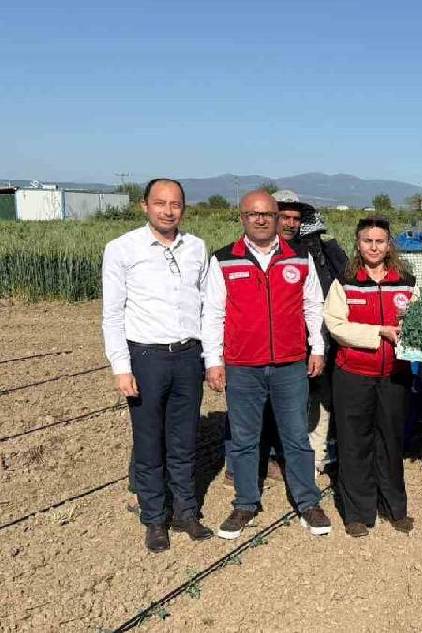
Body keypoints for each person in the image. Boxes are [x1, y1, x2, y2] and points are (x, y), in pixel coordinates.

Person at [201, 190, 332, 540]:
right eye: (252, 214)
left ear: (277, 218)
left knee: (296, 437)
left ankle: (308, 502)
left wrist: (316, 349)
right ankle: (245, 503)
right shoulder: (224, 260)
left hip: (290, 365)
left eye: (267, 214)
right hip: (243, 367)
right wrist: (213, 361)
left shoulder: (299, 257)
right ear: (242, 218)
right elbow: (213, 314)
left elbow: (313, 306)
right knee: (245, 440)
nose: (260, 220)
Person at [102, 178, 213, 552]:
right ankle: (154, 519)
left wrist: (209, 356)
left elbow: (206, 308)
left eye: (176, 204)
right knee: (149, 444)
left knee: (183, 442)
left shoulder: (196, 248)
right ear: (144, 206)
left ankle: (186, 513)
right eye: (160, 203)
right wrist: (121, 366)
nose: (168, 211)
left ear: (184, 208)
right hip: (145, 357)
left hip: (187, 357)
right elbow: (112, 315)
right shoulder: (122, 249)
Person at [323, 216, 416, 537]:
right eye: (367, 241)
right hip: (353, 374)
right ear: (358, 243)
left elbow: (419, 319)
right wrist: (378, 331)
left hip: (395, 374)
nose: (373, 247)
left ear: (389, 244)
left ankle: (394, 508)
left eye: (380, 241)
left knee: (390, 441)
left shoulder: (406, 280)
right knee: (354, 443)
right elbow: (336, 325)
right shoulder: (345, 281)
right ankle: (357, 513)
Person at [274, 190, 347, 476]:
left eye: (295, 218)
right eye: (284, 216)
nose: (290, 224)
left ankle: (312, 458)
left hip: (314, 339)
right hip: (279, 344)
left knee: (317, 398)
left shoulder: (314, 253)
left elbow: (322, 299)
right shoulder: (261, 251)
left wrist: (320, 344)